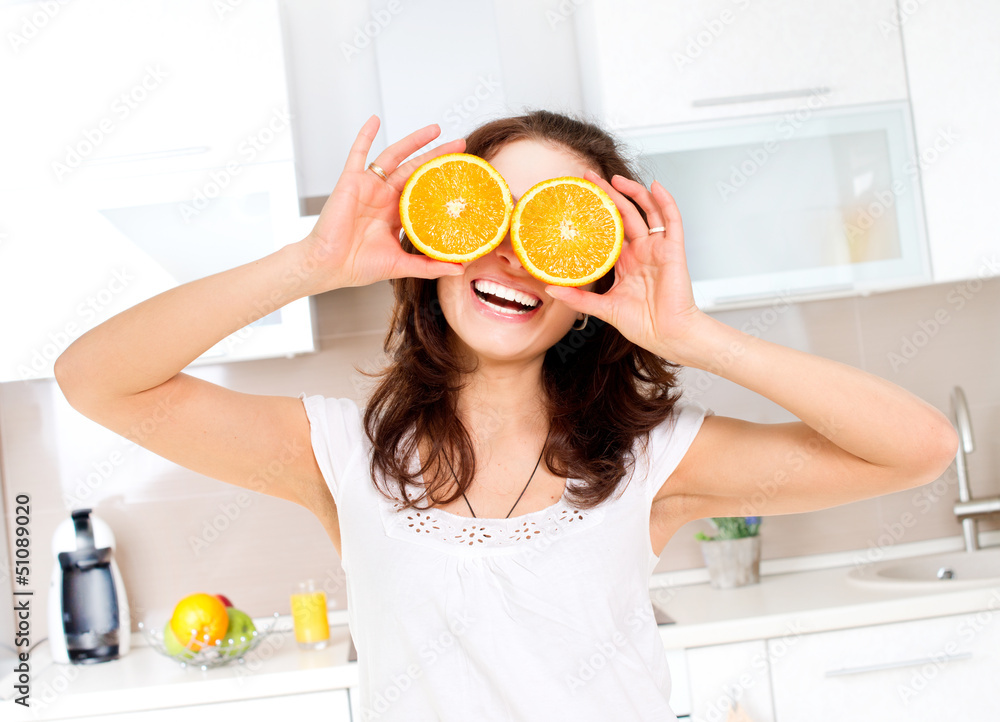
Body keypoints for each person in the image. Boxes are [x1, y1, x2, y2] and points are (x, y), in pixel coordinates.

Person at [55, 110, 959, 721]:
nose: (516, 257)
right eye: (484, 216)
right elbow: (97, 379)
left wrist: (693, 335)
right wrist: (306, 265)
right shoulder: (336, 454)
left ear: (594, 285)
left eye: (558, 233)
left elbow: (918, 449)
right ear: (432, 243)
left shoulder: (653, 463)